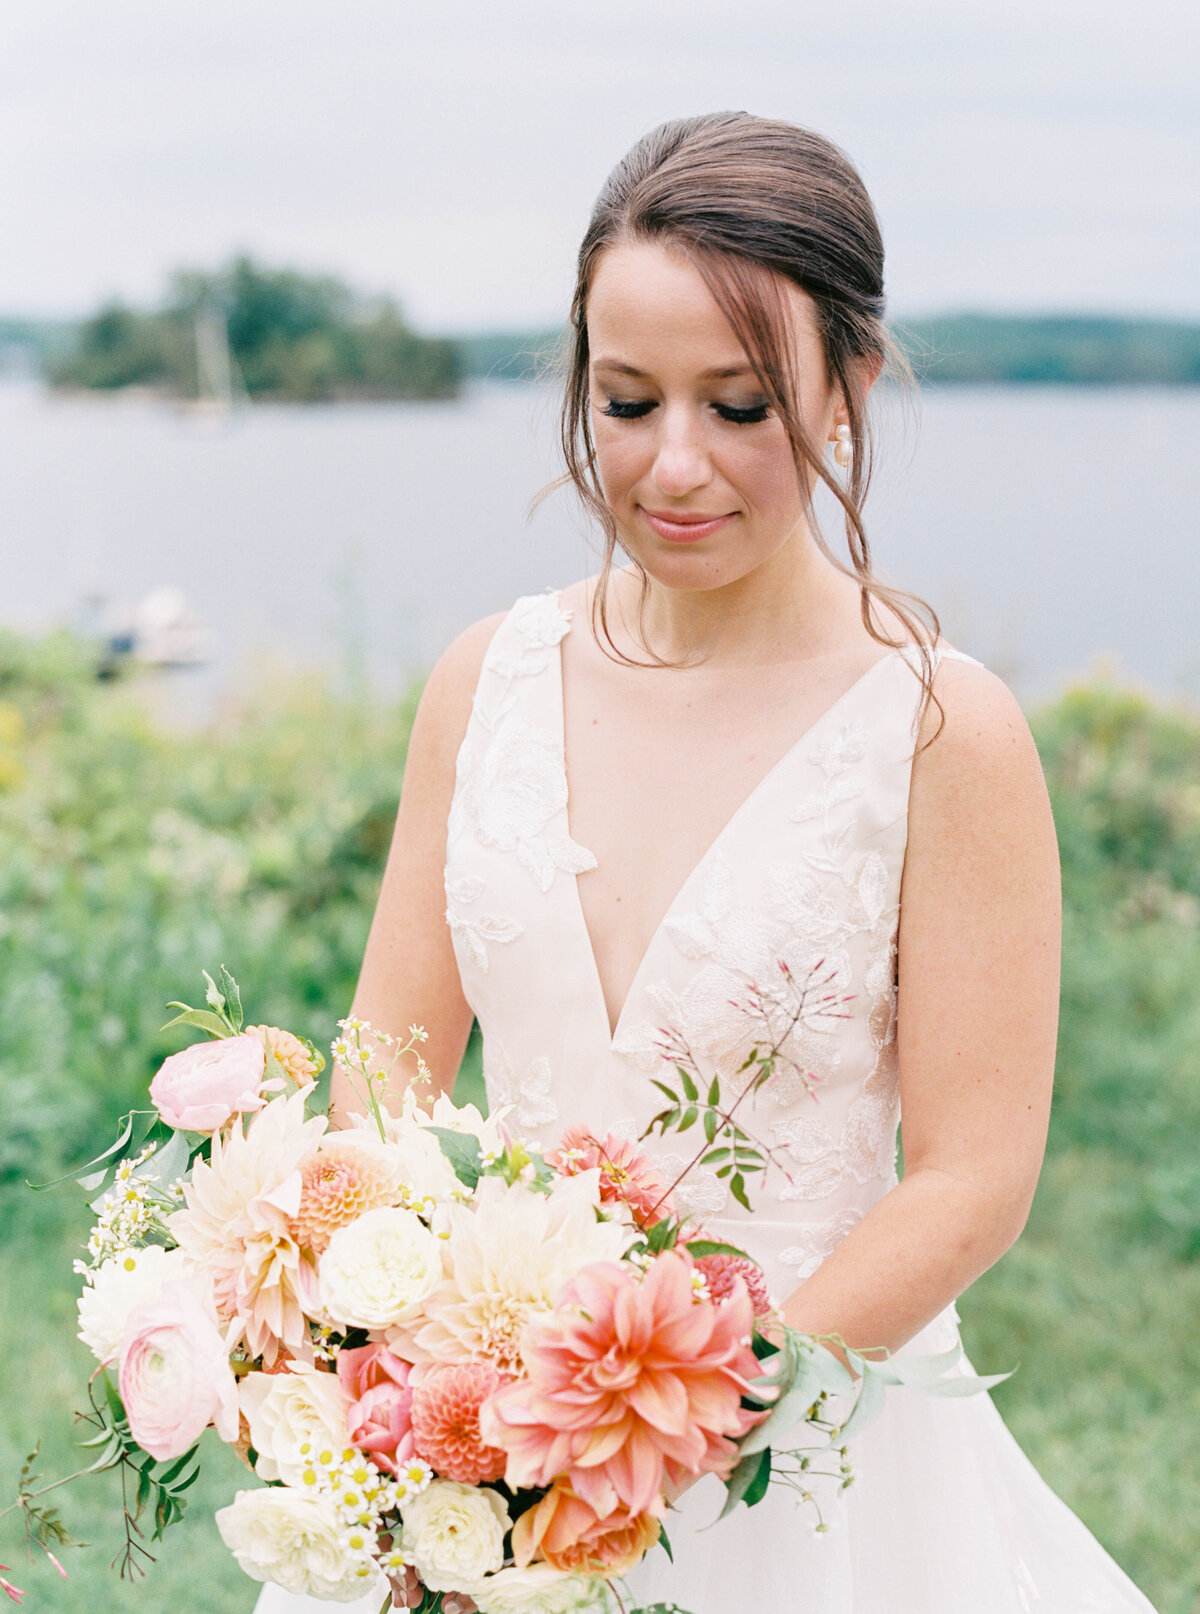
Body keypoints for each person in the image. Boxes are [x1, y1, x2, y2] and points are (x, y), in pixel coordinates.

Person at [254, 113, 1157, 1613]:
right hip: (477, 1457)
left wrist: (655, 1441)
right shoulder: (486, 679)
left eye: (741, 406)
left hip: (805, 1463)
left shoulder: (944, 731)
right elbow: (389, 1076)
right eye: (628, 400)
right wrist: (419, 1384)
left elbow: (976, 1176)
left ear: (848, 386)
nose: (675, 464)